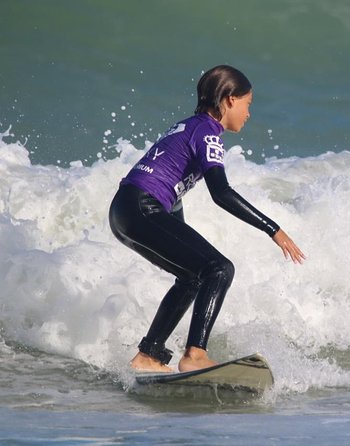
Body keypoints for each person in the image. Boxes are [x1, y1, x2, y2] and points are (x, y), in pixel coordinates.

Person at [108, 65, 305, 373]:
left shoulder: (187, 126)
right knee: (220, 269)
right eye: (247, 104)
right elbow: (221, 193)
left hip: (124, 210)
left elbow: (170, 190)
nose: (249, 113)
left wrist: (181, 235)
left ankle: (149, 355)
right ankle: (195, 355)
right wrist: (273, 229)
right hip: (143, 207)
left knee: (193, 275)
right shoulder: (209, 134)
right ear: (228, 100)